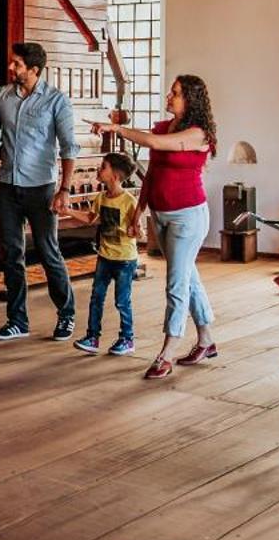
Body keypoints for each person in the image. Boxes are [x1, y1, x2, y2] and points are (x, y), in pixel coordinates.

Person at [92, 74, 217, 378]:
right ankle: (207, 341)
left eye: (175, 93)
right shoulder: (163, 127)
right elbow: (151, 175)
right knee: (188, 279)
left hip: (188, 217)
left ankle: (167, 353)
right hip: (160, 214)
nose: (168, 96)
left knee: (175, 284)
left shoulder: (198, 134)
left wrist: (117, 128)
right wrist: (139, 212)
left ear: (190, 99)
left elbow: (155, 142)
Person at [0, 42, 77, 342]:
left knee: (47, 252)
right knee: (11, 254)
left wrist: (64, 189)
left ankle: (66, 315)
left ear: (34, 70)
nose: (11, 68)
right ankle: (17, 320)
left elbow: (69, 148)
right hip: (7, 187)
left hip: (41, 189)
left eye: (16, 64)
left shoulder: (57, 101)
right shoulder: (3, 96)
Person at [75, 151, 139, 356]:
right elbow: (90, 218)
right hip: (104, 256)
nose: (99, 170)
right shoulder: (101, 197)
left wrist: (135, 231)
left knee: (122, 300)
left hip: (125, 260)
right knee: (96, 297)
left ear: (115, 176)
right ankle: (92, 337)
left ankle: (127, 339)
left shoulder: (129, 201)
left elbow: (141, 231)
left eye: (103, 167)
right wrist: (66, 210)